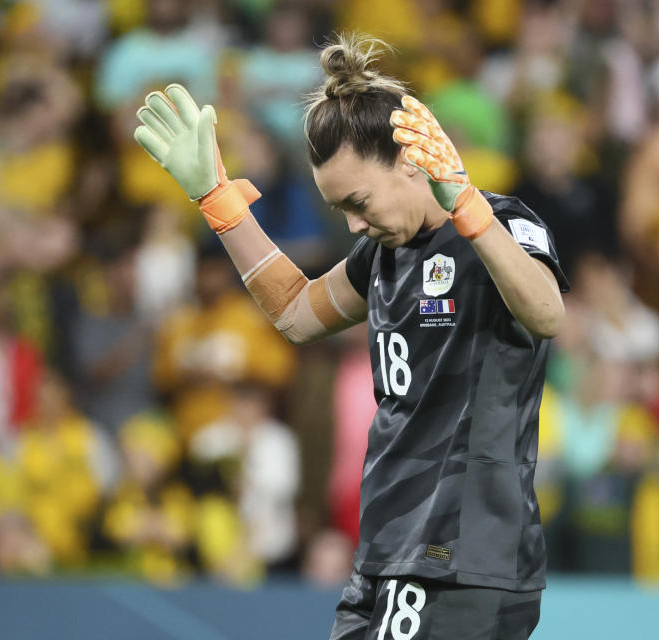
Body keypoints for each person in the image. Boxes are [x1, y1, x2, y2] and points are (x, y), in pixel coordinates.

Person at [133, 34, 568, 639]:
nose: (353, 224)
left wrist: (468, 208)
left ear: (412, 163)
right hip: (388, 551)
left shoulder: (503, 225)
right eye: (339, 209)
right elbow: (294, 312)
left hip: (462, 555)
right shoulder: (381, 255)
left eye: (359, 202)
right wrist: (219, 202)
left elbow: (546, 313)